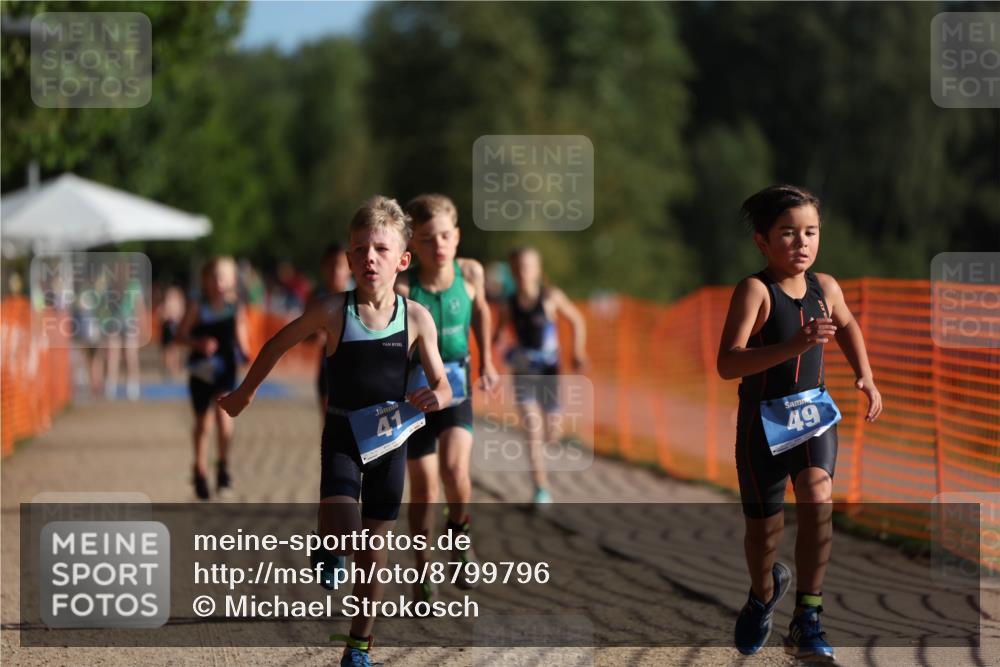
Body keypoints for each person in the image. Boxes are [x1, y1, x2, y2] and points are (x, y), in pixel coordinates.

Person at [219, 196, 451, 667]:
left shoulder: (417, 318)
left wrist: (437, 396)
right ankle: (328, 544)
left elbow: (442, 381)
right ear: (347, 259)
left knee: (374, 551)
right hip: (344, 434)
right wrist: (245, 393)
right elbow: (276, 344)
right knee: (345, 535)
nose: (370, 257)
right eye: (360, 249)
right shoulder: (332, 311)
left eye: (381, 250)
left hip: (391, 441)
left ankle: (358, 645)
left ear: (402, 260)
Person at [717, 184, 882, 661]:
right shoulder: (755, 291)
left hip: (813, 416)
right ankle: (763, 592)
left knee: (817, 495)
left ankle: (808, 616)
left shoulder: (825, 287)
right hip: (761, 424)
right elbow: (728, 363)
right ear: (763, 242)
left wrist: (866, 376)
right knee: (763, 534)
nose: (802, 243)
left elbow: (847, 324)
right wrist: (794, 346)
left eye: (810, 232)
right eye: (788, 234)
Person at [395, 194, 499, 601]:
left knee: (455, 472)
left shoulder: (470, 272)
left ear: (456, 237)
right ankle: (423, 570)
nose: (437, 245)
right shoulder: (405, 286)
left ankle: (459, 537)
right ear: (412, 246)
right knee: (424, 491)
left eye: (443, 236)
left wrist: (488, 360)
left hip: (456, 388)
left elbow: (484, 312)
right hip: (417, 395)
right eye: (425, 239)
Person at [495, 246, 587, 506]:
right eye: (518, 268)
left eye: (528, 267)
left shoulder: (550, 297)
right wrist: (503, 345)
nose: (523, 272)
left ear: (537, 270)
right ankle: (541, 487)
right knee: (532, 430)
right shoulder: (508, 304)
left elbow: (577, 320)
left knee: (551, 432)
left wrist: (577, 351)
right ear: (512, 272)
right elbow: (500, 334)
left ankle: (552, 445)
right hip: (523, 371)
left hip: (549, 371)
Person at [176, 257, 250, 500]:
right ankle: (199, 469)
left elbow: (242, 338)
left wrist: (247, 353)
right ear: (205, 279)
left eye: (224, 276)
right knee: (202, 423)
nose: (219, 282)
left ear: (232, 280)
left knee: (224, 416)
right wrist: (198, 342)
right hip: (201, 371)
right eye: (214, 276)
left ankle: (224, 466)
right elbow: (180, 335)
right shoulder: (198, 306)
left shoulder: (236, 307)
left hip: (226, 370)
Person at [308, 243, 353, 413]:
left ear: (350, 268)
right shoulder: (316, 296)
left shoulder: (360, 294)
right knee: (329, 422)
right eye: (331, 265)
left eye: (340, 265)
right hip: (328, 368)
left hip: (356, 367)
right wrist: (316, 336)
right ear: (323, 268)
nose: (335, 270)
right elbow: (304, 335)